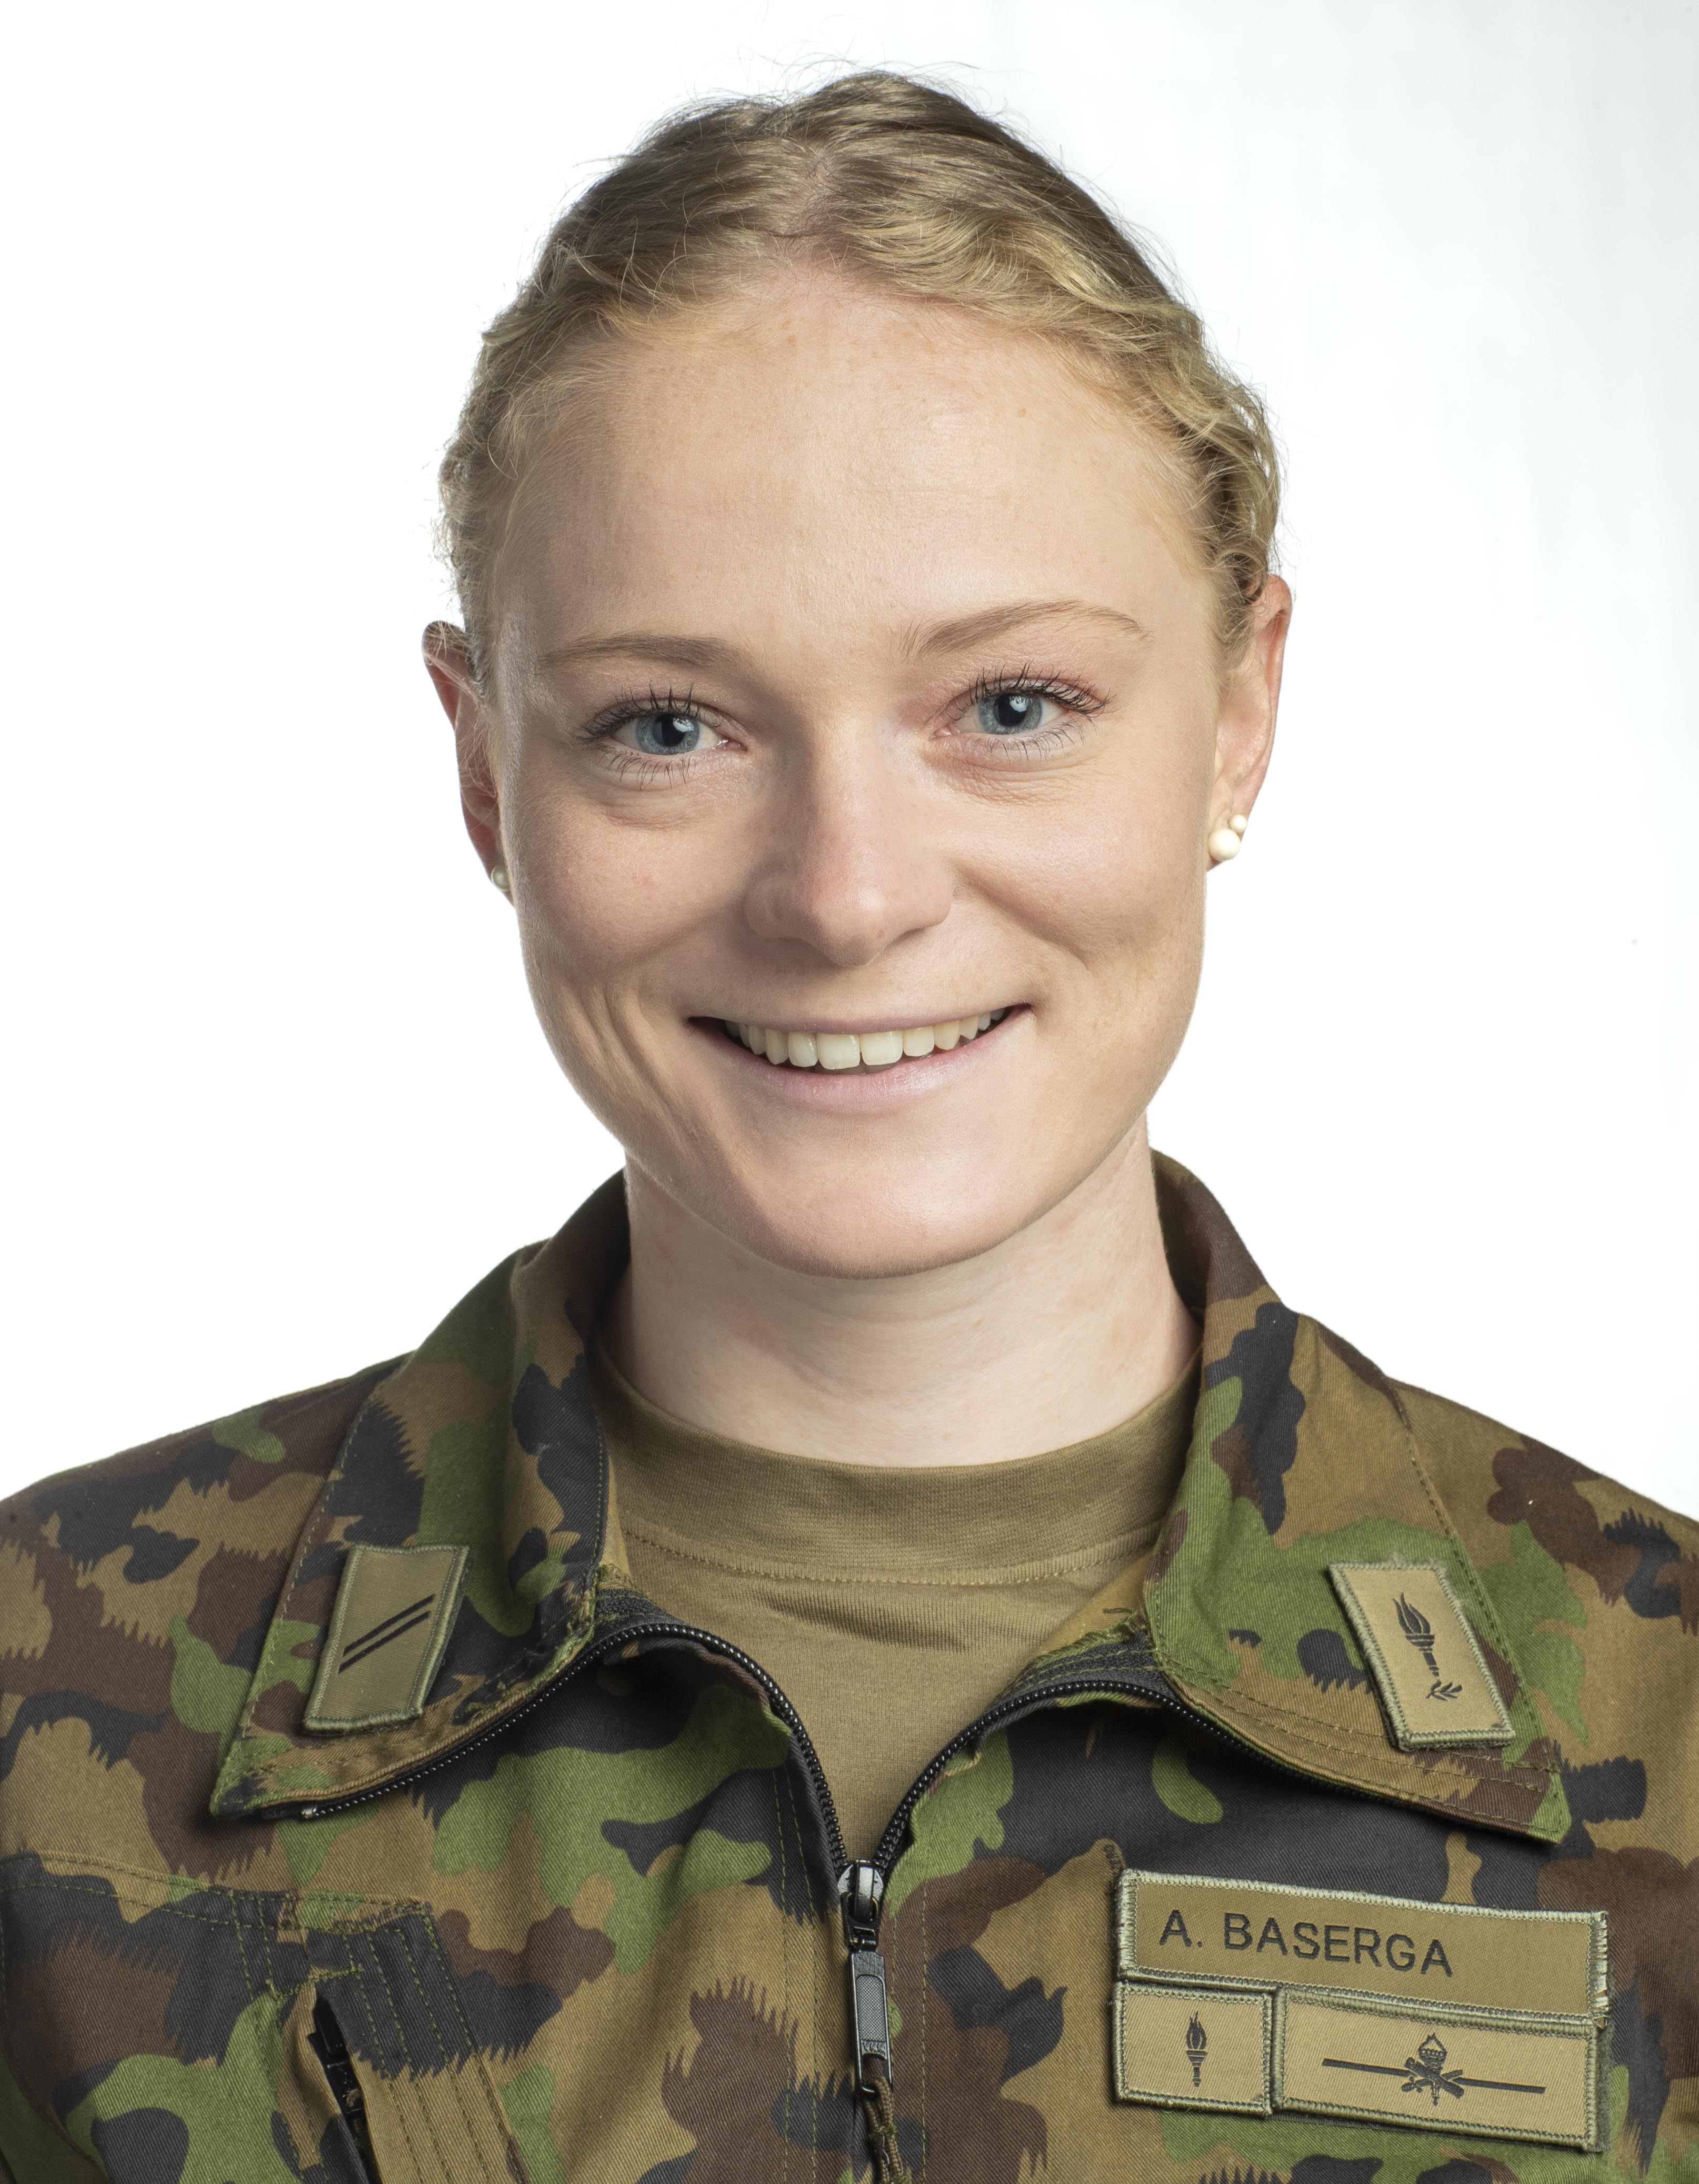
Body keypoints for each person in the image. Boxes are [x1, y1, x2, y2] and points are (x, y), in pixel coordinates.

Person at [0, 68, 1692, 2184]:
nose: (846, 895)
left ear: (1239, 711)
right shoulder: (44, 1711)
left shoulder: (1657, 1711)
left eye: (1012, 708)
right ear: (485, 772)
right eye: (667, 726)